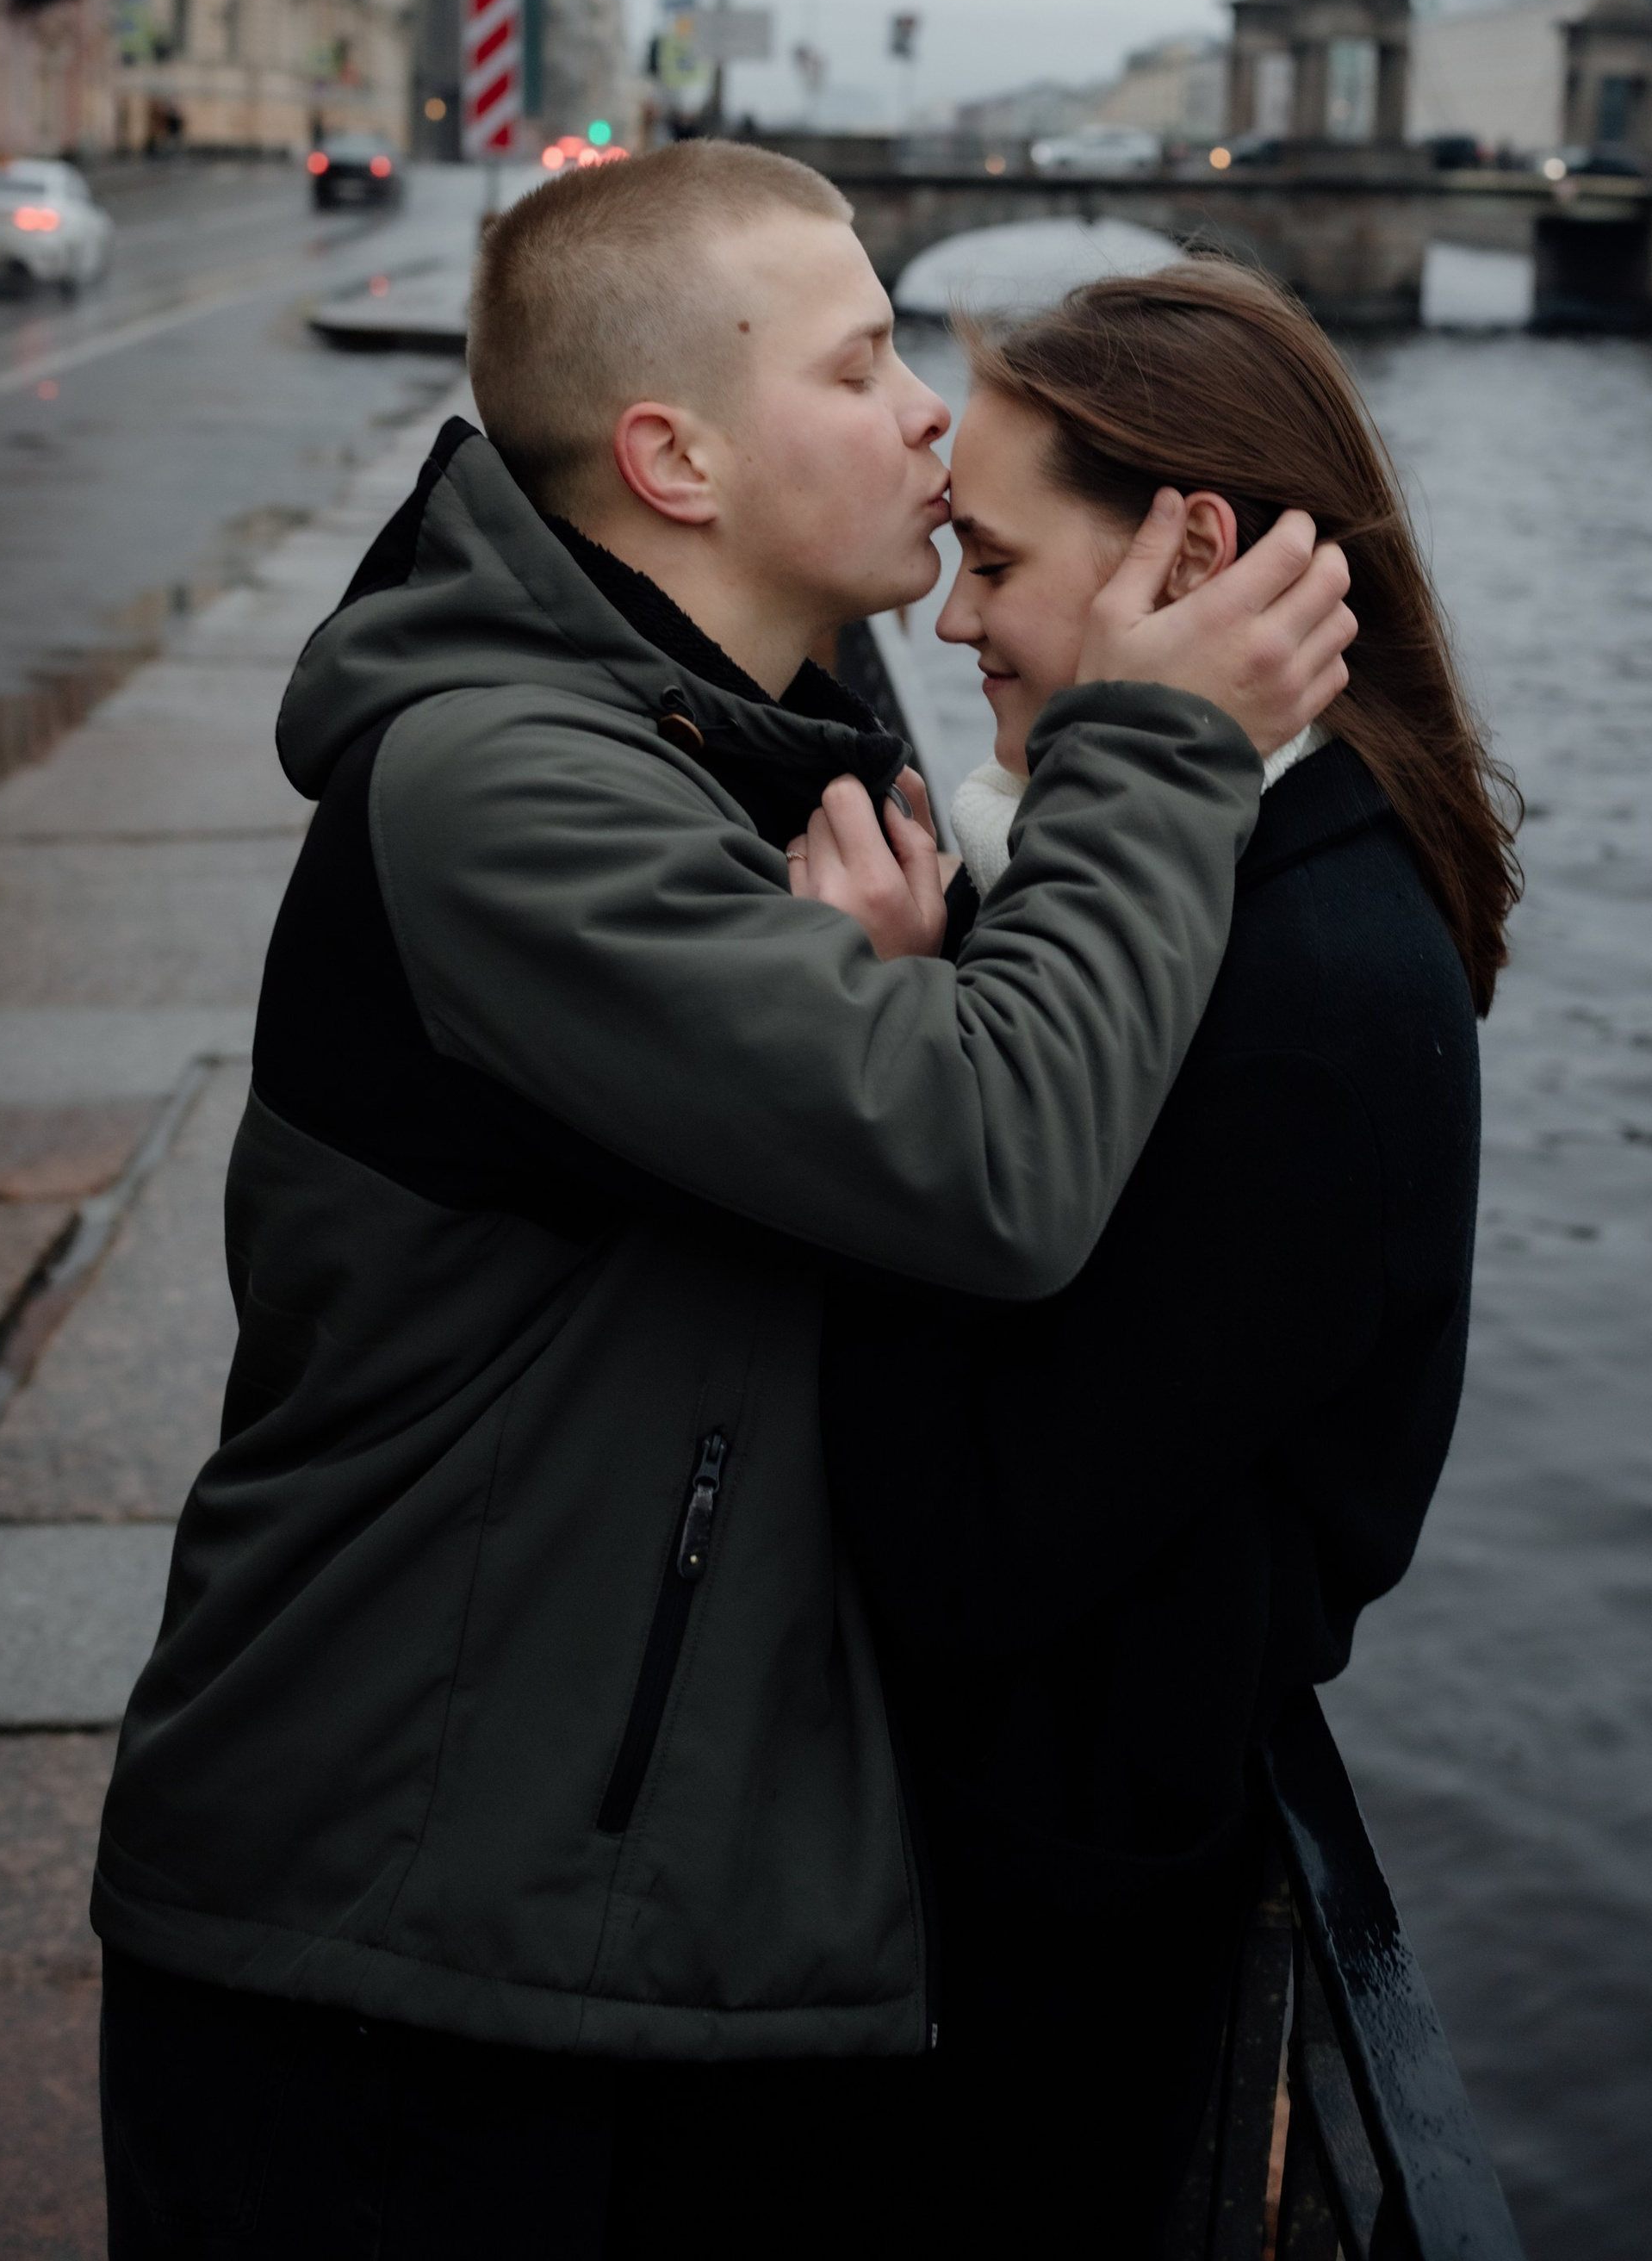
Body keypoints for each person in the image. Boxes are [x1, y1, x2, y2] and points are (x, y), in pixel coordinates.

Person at [92, 143, 1353, 2259]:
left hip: (580, 1897)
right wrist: (1158, 754)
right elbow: (995, 1166)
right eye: (862, 368)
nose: (928, 416)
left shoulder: (741, 735)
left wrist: (891, 992)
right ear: (671, 457)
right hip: (400, 1948)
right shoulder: (502, 783)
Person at [807, 258, 1520, 2258]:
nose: (944, 619)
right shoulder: (1251, 883)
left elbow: (966, 1541)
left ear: (1190, 552)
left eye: (995, 561)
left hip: (1038, 1938)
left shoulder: (1296, 994)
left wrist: (883, 1063)